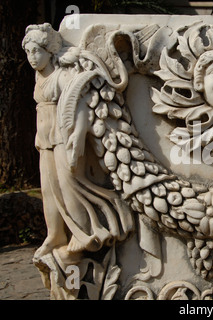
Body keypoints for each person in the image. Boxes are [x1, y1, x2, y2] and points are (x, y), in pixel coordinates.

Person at [23, 23, 133, 261]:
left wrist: (79, 134)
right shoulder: (39, 77)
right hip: (45, 139)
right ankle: (54, 235)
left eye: (37, 51)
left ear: (50, 51)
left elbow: (81, 102)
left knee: (70, 186)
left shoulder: (62, 75)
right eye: (29, 52)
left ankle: (84, 234)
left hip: (64, 136)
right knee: (48, 190)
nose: (32, 57)